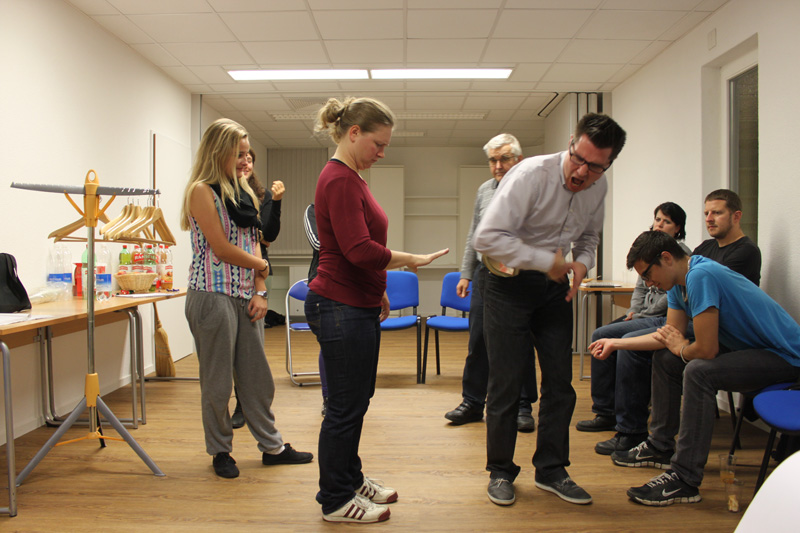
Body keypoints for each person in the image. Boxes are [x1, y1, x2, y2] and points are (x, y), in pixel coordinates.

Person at [305, 97, 449, 523]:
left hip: (356, 302)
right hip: (338, 304)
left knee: (356, 401)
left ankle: (350, 478)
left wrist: (378, 290)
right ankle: (335, 499)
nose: (382, 153)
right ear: (354, 133)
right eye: (378, 144)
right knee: (344, 407)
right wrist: (412, 259)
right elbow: (358, 249)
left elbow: (357, 250)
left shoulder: (353, 178)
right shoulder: (339, 179)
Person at [473, 113, 627, 507]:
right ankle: (500, 471)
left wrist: (582, 264)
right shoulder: (529, 175)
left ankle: (552, 469)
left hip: (555, 288)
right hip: (507, 285)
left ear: (608, 164)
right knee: (506, 383)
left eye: (596, 166)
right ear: (571, 142)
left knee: (560, 382)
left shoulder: (598, 185)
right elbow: (486, 238)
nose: (583, 172)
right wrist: (548, 262)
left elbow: (589, 238)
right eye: (579, 158)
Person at [589, 231, 800, 506]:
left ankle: (685, 478)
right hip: (751, 352)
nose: (649, 284)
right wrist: (616, 343)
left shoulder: (701, 276)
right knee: (666, 359)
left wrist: (681, 349)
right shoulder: (679, 283)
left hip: (785, 357)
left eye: (648, 275)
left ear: (666, 258)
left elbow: (706, 349)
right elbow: (669, 336)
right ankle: (660, 446)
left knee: (698, 371)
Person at [180, 117, 313, 479]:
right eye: (238, 154)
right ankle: (220, 451)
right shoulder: (201, 192)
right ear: (217, 152)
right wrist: (262, 266)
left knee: (257, 379)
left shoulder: (246, 193)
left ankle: (272, 447)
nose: (245, 160)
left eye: (247, 154)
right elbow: (221, 248)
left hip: (245, 296)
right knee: (218, 383)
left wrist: (260, 289)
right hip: (211, 296)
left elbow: (255, 241)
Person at [588, 189, 762, 456]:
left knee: (664, 356)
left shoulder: (731, 258)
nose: (709, 218)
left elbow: (705, 336)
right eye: (706, 213)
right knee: (630, 344)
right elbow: (674, 321)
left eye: (717, 212)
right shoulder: (699, 256)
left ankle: (637, 434)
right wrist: (618, 340)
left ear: (736, 216)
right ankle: (650, 440)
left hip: (729, 334)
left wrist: (680, 347)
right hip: (696, 321)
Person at [576, 202, 691, 453]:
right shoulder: (648, 252)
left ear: (678, 228)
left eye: (666, 221)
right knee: (601, 335)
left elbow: (669, 304)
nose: (660, 224)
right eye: (657, 219)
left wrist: (641, 316)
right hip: (643, 314)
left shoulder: (683, 264)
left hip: (659, 316)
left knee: (627, 344)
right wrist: (633, 311)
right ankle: (606, 411)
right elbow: (640, 288)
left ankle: (630, 429)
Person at [445, 133, 538, 433]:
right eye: (493, 160)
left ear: (518, 160)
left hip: (520, 277)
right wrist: (465, 273)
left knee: (518, 342)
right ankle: (473, 402)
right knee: (478, 340)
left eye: (504, 159)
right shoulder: (485, 190)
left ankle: (522, 406)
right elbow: (474, 234)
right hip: (486, 275)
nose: (498, 166)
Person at [231, 149, 286, 429]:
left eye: (250, 159)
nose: (246, 162)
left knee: (252, 347)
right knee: (233, 348)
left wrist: (276, 202)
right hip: (229, 277)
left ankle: (246, 405)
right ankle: (240, 401)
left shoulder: (261, 196)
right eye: (240, 156)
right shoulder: (223, 195)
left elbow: (268, 235)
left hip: (259, 273)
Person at [303, 203, 328, 418]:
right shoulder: (314, 209)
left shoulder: (356, 207)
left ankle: (348, 396)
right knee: (329, 344)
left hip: (354, 286)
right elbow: (318, 243)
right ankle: (328, 398)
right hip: (323, 285)